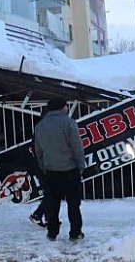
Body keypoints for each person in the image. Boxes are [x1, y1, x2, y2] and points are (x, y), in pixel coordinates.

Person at [34, 97, 86, 241]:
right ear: (63, 107)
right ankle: (75, 232)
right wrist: (81, 165)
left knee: (52, 204)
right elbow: (77, 147)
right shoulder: (69, 123)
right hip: (70, 170)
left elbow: (38, 150)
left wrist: (43, 166)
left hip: (51, 171)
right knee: (73, 204)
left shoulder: (40, 126)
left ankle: (52, 232)